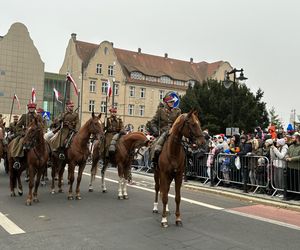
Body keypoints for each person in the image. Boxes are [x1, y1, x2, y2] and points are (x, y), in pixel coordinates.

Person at [150, 91, 181, 163]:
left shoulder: (177, 111)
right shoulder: (160, 111)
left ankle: (189, 160)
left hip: (174, 131)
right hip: (164, 132)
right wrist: (156, 131)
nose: (172, 103)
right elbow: (153, 122)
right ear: (166, 103)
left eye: (173, 102)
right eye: (170, 102)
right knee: (156, 146)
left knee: (186, 143)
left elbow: (179, 122)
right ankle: (154, 161)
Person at [10, 102, 38, 169]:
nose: (31, 109)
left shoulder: (38, 117)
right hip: (26, 134)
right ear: (28, 109)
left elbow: (42, 125)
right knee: (20, 142)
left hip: (35, 134)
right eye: (30, 108)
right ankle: (17, 159)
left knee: (45, 143)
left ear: (35, 108)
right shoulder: (24, 116)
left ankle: (48, 159)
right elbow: (18, 126)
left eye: (33, 108)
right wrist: (22, 132)